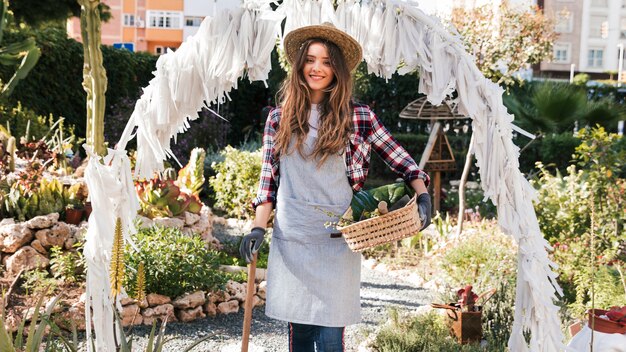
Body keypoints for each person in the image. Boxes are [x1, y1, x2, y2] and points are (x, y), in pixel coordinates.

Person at [239, 23, 431, 352]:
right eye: (311, 60)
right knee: (299, 336)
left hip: (337, 241)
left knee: (329, 339)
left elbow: (401, 160)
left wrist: (423, 194)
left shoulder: (358, 116)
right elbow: (268, 180)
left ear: (337, 70)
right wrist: (258, 227)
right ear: (300, 66)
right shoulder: (278, 118)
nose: (317, 68)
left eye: (327, 62)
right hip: (294, 238)